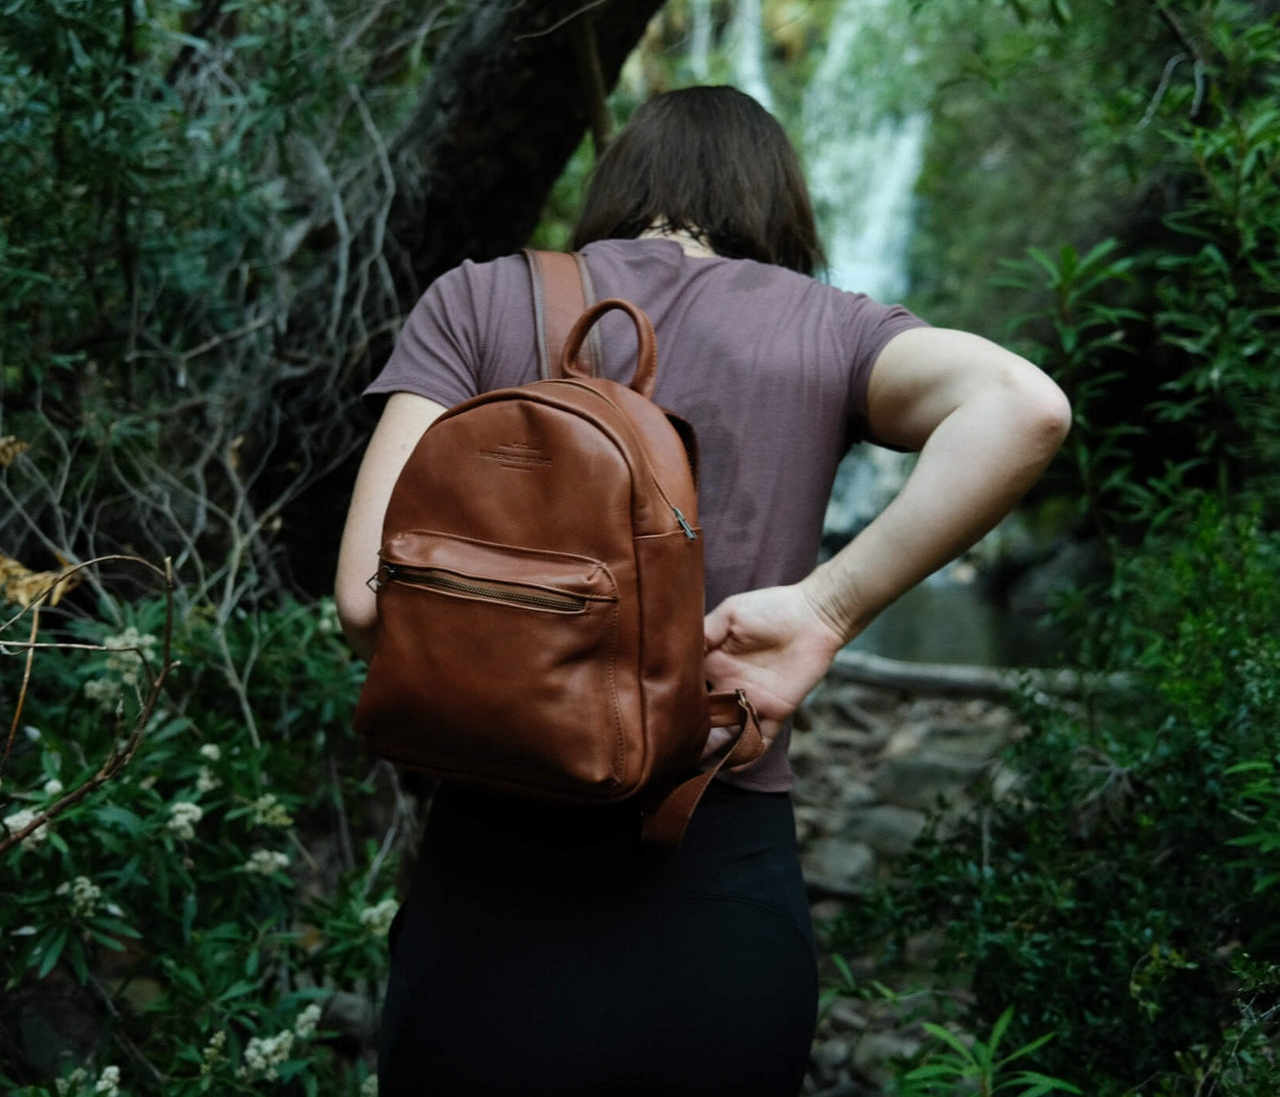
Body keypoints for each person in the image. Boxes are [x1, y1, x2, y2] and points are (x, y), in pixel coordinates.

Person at [334, 85, 1071, 1096]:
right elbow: (1023, 406)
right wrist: (826, 609)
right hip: (719, 883)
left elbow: (367, 601)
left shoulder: (477, 299)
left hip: (487, 891)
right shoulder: (830, 327)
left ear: (620, 183)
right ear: (778, 206)